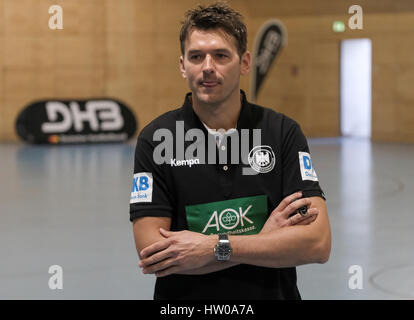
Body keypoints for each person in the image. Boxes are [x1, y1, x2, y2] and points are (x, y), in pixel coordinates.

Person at [130, 2, 331, 300]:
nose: (207, 66)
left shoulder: (282, 132)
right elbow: (155, 256)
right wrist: (264, 239)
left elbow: (317, 243)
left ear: (245, 62)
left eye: (221, 55)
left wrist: (215, 247)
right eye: (196, 56)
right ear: (183, 65)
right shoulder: (156, 139)